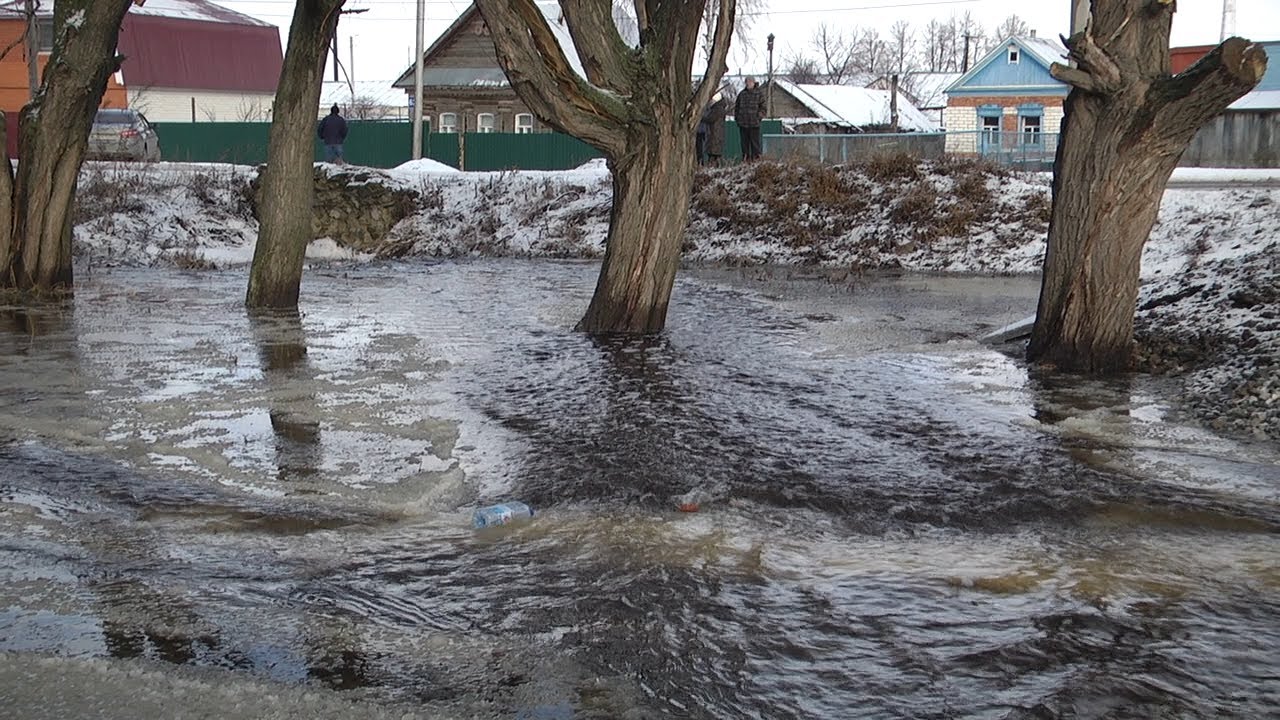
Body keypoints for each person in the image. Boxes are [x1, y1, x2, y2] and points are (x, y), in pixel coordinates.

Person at [734, 77, 764, 161]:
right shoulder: (742, 94)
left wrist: (758, 117)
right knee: (744, 146)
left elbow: (763, 108)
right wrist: (738, 119)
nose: (748, 84)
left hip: (754, 124)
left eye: (750, 82)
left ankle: (756, 162)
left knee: (755, 146)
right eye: (747, 82)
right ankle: (745, 161)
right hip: (743, 124)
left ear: (754, 83)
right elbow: (737, 108)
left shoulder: (759, 94)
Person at [703, 91, 728, 166]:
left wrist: (700, 117)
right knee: (714, 153)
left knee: (713, 153)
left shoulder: (717, 109)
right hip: (716, 134)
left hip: (715, 134)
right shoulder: (719, 108)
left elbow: (710, 118)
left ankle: (713, 166)